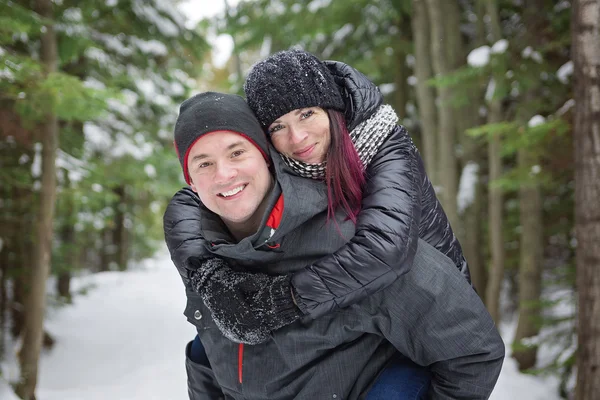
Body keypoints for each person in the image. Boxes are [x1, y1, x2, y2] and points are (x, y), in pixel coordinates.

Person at [164, 91, 504, 399]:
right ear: (191, 182)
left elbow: (472, 349)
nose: (224, 174)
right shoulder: (204, 257)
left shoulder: (353, 241)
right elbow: (210, 355)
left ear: (267, 158)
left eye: (237, 152)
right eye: (204, 163)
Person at [169, 50, 472, 347]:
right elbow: (186, 203)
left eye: (307, 114)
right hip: (373, 317)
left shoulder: (385, 145)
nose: (297, 136)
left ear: (331, 109)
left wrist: (285, 299)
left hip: (439, 308)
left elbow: (386, 247)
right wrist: (207, 275)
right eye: (278, 126)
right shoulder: (285, 161)